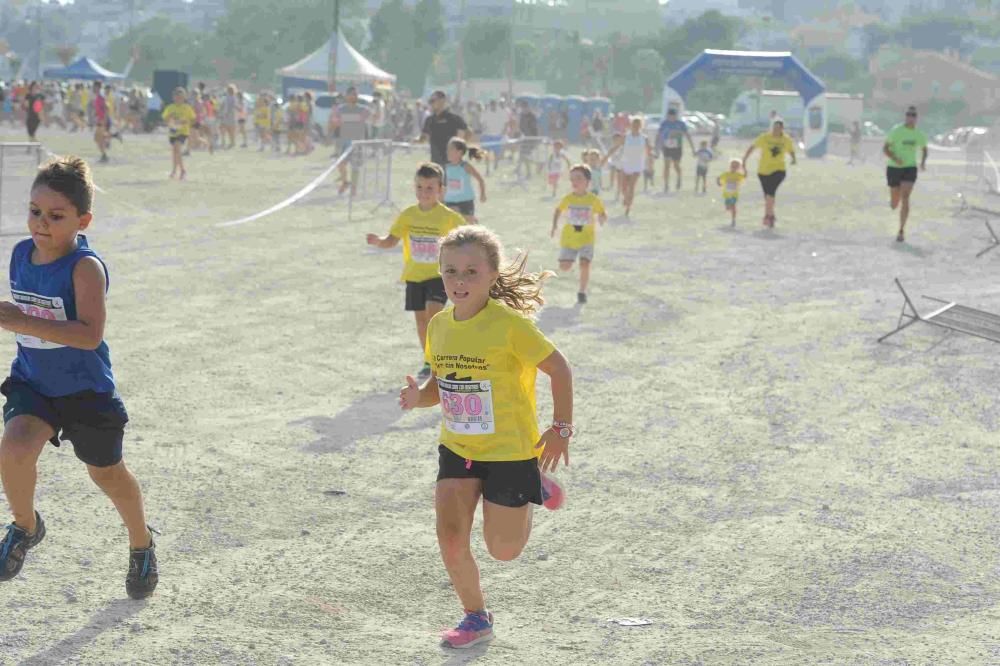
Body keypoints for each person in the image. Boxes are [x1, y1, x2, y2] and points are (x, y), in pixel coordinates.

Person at [398, 225, 573, 649]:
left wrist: (561, 429)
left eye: (471, 272)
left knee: (504, 550)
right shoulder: (439, 327)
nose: (459, 281)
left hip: (511, 452)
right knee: (451, 537)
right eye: (450, 271)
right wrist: (416, 397)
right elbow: (441, 388)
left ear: (493, 274)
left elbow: (560, 368)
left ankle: (536, 483)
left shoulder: (510, 326)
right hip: (458, 448)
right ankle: (476, 617)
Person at [0, 156, 158, 599]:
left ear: (82, 220)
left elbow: (90, 336)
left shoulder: (84, 267)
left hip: (86, 391)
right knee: (13, 448)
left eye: (56, 216)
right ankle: (26, 527)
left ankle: (141, 543)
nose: (41, 224)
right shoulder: (18, 253)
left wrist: (19, 321)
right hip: (34, 382)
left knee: (106, 475)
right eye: (35, 211)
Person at [366, 163, 465, 380]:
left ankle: (445, 358)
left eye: (430, 188)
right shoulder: (409, 214)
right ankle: (429, 362)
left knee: (434, 314)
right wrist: (378, 241)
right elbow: (391, 240)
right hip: (414, 276)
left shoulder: (448, 217)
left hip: (439, 276)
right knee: (421, 321)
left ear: (441, 189)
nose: (424, 193)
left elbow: (466, 238)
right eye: (419, 187)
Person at [552, 164, 608, 304]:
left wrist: (602, 218)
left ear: (588, 182)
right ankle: (571, 261)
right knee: (565, 267)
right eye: (572, 179)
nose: (574, 182)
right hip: (569, 239)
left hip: (586, 239)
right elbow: (558, 210)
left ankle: (582, 291)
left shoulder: (593, 200)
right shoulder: (568, 199)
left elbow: (602, 212)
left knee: (584, 263)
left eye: (578, 178)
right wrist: (554, 226)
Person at [883, 106, 928, 243]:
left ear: (916, 118)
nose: (911, 118)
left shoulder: (918, 134)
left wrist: (922, 163)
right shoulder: (896, 131)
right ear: (905, 117)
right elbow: (885, 148)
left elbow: (924, 149)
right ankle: (893, 201)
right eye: (909, 115)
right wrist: (895, 159)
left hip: (909, 168)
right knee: (895, 203)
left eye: (913, 115)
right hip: (894, 168)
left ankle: (901, 230)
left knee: (906, 197)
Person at [742, 118, 796, 228]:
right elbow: (752, 147)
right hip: (763, 171)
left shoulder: (786, 139)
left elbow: (791, 150)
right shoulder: (764, 137)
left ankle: (768, 216)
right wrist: (744, 159)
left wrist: (793, 158)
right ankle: (770, 215)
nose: (776, 130)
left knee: (771, 192)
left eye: (778, 128)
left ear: (782, 129)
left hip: (779, 170)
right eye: (774, 128)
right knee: (768, 196)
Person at [608, 116, 652, 218]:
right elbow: (616, 147)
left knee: (631, 186)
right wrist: (606, 157)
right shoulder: (626, 137)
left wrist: (650, 164)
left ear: (641, 126)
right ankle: (626, 197)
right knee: (623, 187)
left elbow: (649, 152)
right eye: (634, 124)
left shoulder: (644, 138)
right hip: (626, 164)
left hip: (637, 165)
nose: (635, 127)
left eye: (638, 125)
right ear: (631, 125)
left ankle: (628, 208)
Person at [330, 86, 370, 196]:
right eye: (352, 94)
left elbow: (364, 117)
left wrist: (344, 119)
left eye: (356, 94)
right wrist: (338, 119)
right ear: (347, 96)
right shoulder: (341, 109)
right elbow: (335, 122)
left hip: (357, 142)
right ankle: (345, 182)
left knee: (355, 167)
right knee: (340, 164)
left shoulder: (363, 108)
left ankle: (354, 189)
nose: (354, 96)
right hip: (344, 141)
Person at [417, 91, 468, 169]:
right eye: (430, 101)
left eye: (433, 101)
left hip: (452, 163)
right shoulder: (429, 120)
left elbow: (466, 135)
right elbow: (424, 138)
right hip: (435, 163)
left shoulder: (454, 119)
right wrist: (415, 140)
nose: (431, 104)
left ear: (442, 101)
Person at [443, 137, 486, 224]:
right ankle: (469, 219)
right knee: (452, 224)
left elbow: (480, 179)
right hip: (450, 201)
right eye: (447, 149)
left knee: (467, 228)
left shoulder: (465, 166)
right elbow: (444, 185)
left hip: (465, 201)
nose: (447, 152)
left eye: (450, 149)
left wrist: (482, 194)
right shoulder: (446, 167)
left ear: (459, 152)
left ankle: (470, 220)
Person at [655, 107, 695, 193]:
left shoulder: (680, 124)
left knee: (676, 165)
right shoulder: (664, 123)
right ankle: (666, 184)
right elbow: (658, 135)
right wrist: (657, 148)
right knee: (666, 165)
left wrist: (693, 148)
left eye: (673, 116)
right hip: (666, 146)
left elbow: (687, 135)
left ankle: (679, 177)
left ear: (676, 116)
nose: (672, 118)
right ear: (668, 116)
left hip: (677, 147)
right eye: (670, 116)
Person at [162, 87, 196, 180]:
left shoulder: (187, 108)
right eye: (177, 97)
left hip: (183, 132)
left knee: (177, 148)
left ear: (184, 98)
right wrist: (170, 118)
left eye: (181, 97)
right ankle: (174, 170)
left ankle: (183, 171)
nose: (178, 99)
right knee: (175, 152)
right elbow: (165, 120)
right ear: (173, 97)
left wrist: (185, 121)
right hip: (173, 132)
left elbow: (193, 119)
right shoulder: (170, 107)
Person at [717, 158, 746, 227]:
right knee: (728, 207)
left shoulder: (738, 175)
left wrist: (744, 169)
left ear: (738, 168)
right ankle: (730, 209)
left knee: (733, 206)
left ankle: (733, 220)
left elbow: (745, 176)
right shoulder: (726, 174)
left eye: (736, 166)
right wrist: (719, 183)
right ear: (730, 166)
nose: (734, 167)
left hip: (734, 195)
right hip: (726, 194)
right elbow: (718, 178)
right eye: (732, 166)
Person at [92, 82, 110, 163]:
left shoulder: (100, 97)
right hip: (100, 120)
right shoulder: (97, 97)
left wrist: (104, 120)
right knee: (98, 138)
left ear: (98, 88)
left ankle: (104, 155)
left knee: (97, 138)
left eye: (94, 87)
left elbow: (106, 109)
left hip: (102, 120)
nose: (93, 89)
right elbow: (100, 109)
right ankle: (106, 145)